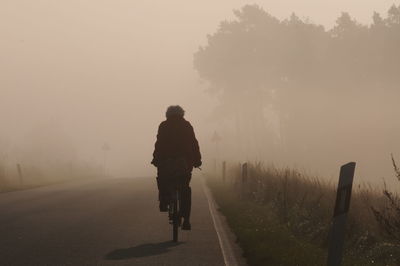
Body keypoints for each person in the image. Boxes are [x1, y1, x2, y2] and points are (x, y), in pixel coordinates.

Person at [151, 105, 202, 230]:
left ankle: (163, 201)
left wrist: (156, 158)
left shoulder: (163, 126)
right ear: (182, 114)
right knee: (185, 188)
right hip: (183, 163)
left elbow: (159, 143)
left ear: (167, 115)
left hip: (166, 161)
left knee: (162, 179)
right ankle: (187, 221)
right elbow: (194, 143)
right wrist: (197, 160)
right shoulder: (186, 125)